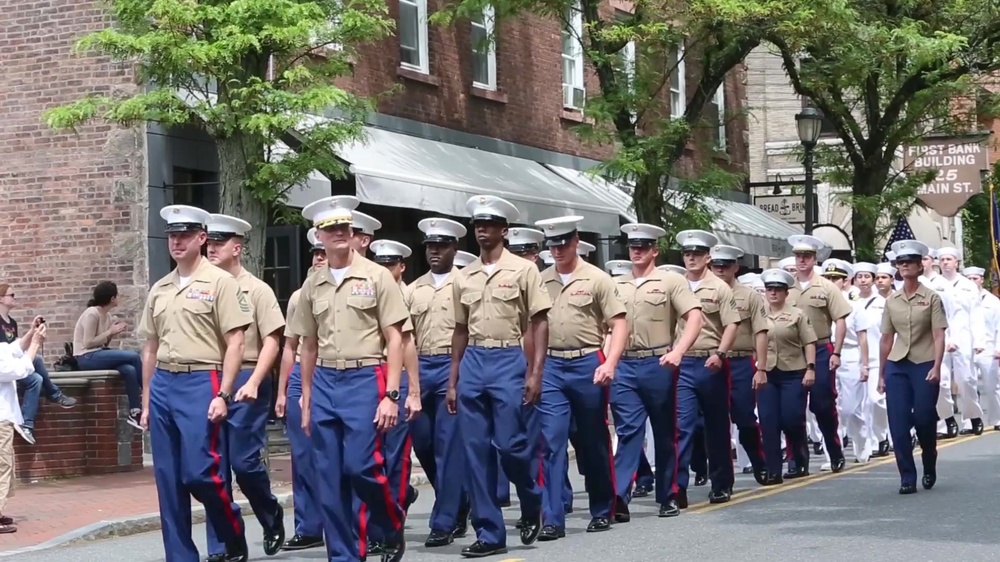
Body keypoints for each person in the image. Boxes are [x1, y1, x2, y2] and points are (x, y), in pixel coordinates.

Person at [290, 195, 407, 562]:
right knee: (329, 476)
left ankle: (389, 523)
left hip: (364, 377)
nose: (339, 233)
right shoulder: (313, 285)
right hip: (324, 379)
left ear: (354, 233)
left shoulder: (376, 276)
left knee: (361, 466)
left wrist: (391, 393)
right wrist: (306, 398)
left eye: (344, 227)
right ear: (318, 236)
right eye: (330, 229)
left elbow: (395, 337)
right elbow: (307, 344)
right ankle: (343, 555)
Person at [139, 204, 252, 561]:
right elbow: (150, 348)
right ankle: (180, 556)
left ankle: (230, 529)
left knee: (201, 473)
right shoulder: (160, 288)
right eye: (172, 235)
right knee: (168, 481)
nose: (177, 241)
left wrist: (224, 392)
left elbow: (236, 341)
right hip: (163, 385)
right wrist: (145, 401)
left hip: (201, 380)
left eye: (185, 235)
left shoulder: (220, 283)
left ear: (202, 238)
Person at [449, 195, 548, 557]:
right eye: (478, 224)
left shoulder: (524, 270)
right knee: (474, 451)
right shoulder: (465, 276)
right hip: (474, 358)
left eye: (489, 225)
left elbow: (539, 321)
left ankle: (531, 496)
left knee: (510, 446)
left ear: (504, 231)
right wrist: (453, 380)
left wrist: (536, 372)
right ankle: (489, 533)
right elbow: (459, 328)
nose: (482, 230)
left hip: (508, 358)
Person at [534, 215, 626, 539]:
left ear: (575, 242)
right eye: (552, 244)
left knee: (593, 440)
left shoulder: (597, 279)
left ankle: (603, 508)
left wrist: (610, 362)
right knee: (551, 441)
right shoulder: (540, 280)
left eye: (562, 244)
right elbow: (530, 326)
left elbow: (619, 324)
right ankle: (552, 518)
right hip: (552, 367)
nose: (557, 250)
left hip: (588, 362)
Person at [203, 213, 287, 560]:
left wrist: (254, 381)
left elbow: (273, 341)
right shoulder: (201, 286)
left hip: (247, 382)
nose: (212, 249)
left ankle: (270, 514)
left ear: (236, 248)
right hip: (208, 380)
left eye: (219, 243)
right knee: (213, 469)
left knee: (244, 463)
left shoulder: (258, 290)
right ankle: (223, 544)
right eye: (209, 242)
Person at [610, 223, 702, 520]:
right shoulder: (617, 284)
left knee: (665, 433)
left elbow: (694, 318)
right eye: (633, 246)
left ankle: (669, 493)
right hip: (625, 364)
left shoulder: (670, 282)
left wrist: (678, 352)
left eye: (643, 247)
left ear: (654, 251)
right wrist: (608, 361)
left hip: (658, 363)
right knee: (627, 433)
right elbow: (608, 327)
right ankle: (619, 497)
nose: (636, 251)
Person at [407, 218, 471, 547]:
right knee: (424, 444)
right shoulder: (413, 289)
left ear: (454, 248)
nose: (435, 251)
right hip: (420, 366)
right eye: (431, 246)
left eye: (442, 245)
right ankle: (457, 499)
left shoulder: (467, 283)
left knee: (448, 446)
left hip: (452, 364)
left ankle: (443, 520)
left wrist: (460, 378)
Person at [674, 230, 741, 505]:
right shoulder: (675, 285)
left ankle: (721, 482)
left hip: (710, 361)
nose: (692, 258)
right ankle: (677, 487)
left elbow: (732, 324)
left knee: (716, 426)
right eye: (688, 254)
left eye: (697, 254)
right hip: (683, 361)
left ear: (708, 257)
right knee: (682, 426)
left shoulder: (719, 288)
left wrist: (721, 353)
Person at [365, 239, 422, 557]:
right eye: (380, 263)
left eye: (391, 264)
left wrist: (412, 391)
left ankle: (390, 529)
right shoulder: (363, 287)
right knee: (366, 463)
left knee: (395, 459)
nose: (385, 270)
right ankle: (377, 527)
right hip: (363, 380)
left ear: (401, 267)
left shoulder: (398, 296)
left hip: (392, 379)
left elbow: (407, 344)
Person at [879, 239, 947, 494]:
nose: (904, 265)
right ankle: (907, 476)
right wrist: (881, 374)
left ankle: (929, 460)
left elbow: (939, 334)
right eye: (900, 262)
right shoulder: (892, 300)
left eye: (909, 262)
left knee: (923, 418)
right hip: (897, 365)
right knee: (897, 423)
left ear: (920, 266)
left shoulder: (931, 298)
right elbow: (886, 338)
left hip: (924, 362)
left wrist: (937, 366)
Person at [275, 227, 326, 552]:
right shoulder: (298, 296)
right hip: (300, 376)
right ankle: (307, 526)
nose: (319, 259)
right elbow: (290, 347)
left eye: (324, 253)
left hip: (336, 373)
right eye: (315, 254)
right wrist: (281, 391)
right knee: (303, 456)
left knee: (341, 456)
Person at [785, 235, 851, 475]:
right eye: (798, 256)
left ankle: (834, 450)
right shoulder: (786, 286)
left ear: (814, 259)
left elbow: (840, 321)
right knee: (792, 410)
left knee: (822, 406)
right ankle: (797, 459)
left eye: (807, 256)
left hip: (822, 349)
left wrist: (838, 351)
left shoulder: (826, 287)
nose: (801, 260)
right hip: (791, 352)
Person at [709, 244, 768, 485]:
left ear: (735, 267)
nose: (720, 270)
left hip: (741, 362)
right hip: (711, 363)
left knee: (745, 419)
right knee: (715, 423)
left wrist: (761, 368)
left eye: (725, 266)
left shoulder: (749, 296)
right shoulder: (701, 292)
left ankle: (758, 461)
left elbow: (761, 331)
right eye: (716, 265)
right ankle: (720, 477)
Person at [757, 269, 817, 483]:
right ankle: (773, 470)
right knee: (768, 422)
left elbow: (809, 341)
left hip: (793, 372)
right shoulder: (759, 314)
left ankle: (799, 459)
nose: (773, 293)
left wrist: (810, 367)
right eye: (769, 289)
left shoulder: (797, 314)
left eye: (777, 290)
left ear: (785, 292)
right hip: (767, 374)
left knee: (792, 419)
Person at [0, 284, 77, 444]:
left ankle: (28, 423)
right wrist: (34, 343)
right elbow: (7, 354)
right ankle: (54, 395)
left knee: (37, 375)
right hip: (6, 368)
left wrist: (32, 332)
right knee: (37, 368)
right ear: (1, 298)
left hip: (12, 362)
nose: (15, 298)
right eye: (11, 295)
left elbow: (15, 346)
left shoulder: (11, 322)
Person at [72, 281, 143, 430]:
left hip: (97, 353)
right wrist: (110, 331)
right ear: (112, 298)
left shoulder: (107, 315)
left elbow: (102, 344)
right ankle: (150, 394)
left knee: (129, 369)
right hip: (85, 357)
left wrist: (112, 332)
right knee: (134, 357)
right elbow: (88, 343)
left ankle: (134, 411)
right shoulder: (92, 313)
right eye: (117, 295)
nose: (119, 297)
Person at [0, 320, 46, 534]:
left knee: (6, 464)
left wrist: (30, 334)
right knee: (2, 466)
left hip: (4, 418)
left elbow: (12, 350)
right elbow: (18, 370)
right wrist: (35, 343)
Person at [936, 247, 985, 435]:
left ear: (957, 262)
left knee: (967, 380)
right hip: (941, 337)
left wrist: (978, 341)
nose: (945, 262)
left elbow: (976, 314)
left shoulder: (968, 285)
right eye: (942, 259)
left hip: (964, 337)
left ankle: (972, 417)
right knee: (940, 381)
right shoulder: (934, 284)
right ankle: (946, 420)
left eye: (949, 259)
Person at [854, 262, 890, 458]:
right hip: (854, 358)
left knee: (876, 401)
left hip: (878, 357)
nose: (863, 280)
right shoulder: (850, 302)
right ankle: (870, 443)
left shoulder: (884, 303)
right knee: (859, 405)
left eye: (867, 276)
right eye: (859, 276)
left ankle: (882, 436)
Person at [963, 266, 1000, 429]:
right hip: (966, 348)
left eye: (975, 279)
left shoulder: (992, 301)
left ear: (981, 280)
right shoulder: (961, 300)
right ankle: (969, 421)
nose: (972, 282)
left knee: (992, 386)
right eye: (968, 279)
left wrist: (998, 347)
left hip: (988, 349)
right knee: (966, 384)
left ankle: (997, 418)